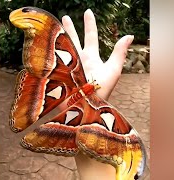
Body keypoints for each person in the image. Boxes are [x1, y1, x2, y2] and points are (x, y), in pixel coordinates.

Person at [61, 9, 134, 180]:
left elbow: (88, 90)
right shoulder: (90, 89)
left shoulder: (91, 90)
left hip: (78, 98)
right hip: (79, 97)